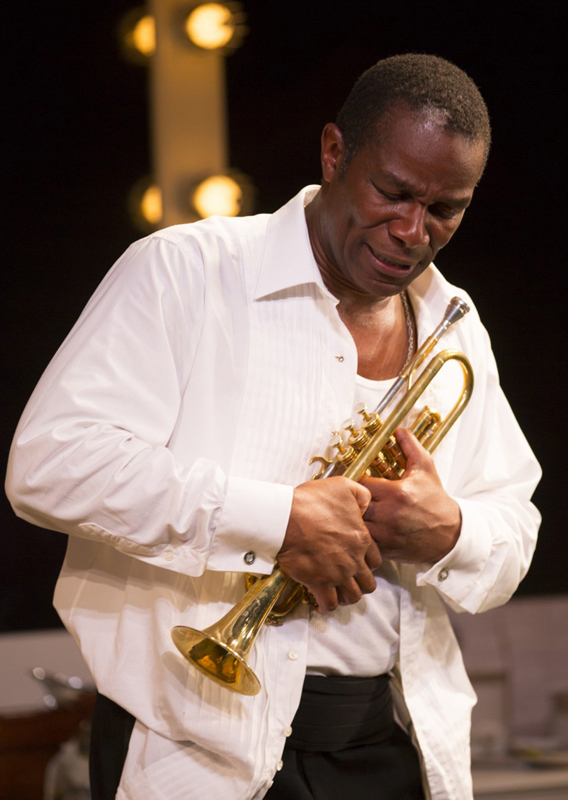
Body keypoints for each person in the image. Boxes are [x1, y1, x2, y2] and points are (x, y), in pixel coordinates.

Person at [6, 54, 540, 800]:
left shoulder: (453, 323)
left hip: (387, 741)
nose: (413, 231)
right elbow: (51, 464)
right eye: (393, 193)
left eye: (446, 209)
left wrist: (448, 530)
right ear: (334, 153)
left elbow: (516, 528)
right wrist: (277, 519)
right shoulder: (186, 271)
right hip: (193, 750)